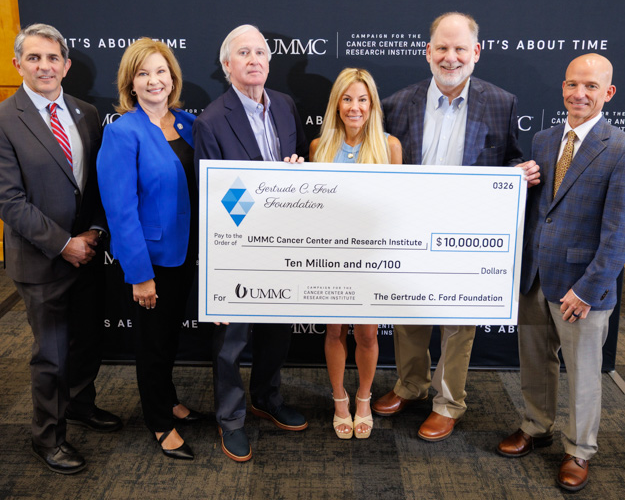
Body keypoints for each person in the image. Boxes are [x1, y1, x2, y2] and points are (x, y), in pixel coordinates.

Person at [373, 12, 540, 442]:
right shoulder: (395, 104)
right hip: (409, 231)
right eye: (442, 48)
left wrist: (515, 174)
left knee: (458, 322)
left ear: (476, 53)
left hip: (467, 234)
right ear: (428, 52)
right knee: (408, 314)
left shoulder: (502, 102)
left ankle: (448, 403)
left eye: (460, 48)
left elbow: (508, 160)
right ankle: (411, 385)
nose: (451, 58)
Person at [496, 54, 625, 492]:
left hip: (582, 288)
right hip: (535, 276)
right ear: (563, 87)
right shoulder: (544, 140)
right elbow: (539, 209)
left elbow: (623, 233)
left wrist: (588, 289)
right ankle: (535, 426)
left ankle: (580, 450)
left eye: (591, 87)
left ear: (608, 93)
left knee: (582, 372)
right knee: (535, 362)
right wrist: (514, 179)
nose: (579, 94)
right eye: (572, 85)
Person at [0, 23, 121, 475]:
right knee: (52, 354)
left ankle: (79, 405)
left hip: (89, 253)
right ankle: (49, 437)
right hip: (41, 260)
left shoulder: (86, 113)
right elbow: (6, 199)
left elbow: (97, 184)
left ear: (67, 65)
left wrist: (94, 232)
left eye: (53, 58)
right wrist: (63, 245)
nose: (44, 66)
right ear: (18, 63)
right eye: (34, 58)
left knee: (89, 344)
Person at [193, 24, 310, 462]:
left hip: (283, 246)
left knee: (277, 334)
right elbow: (213, 193)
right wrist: (265, 195)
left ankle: (266, 398)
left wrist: (294, 174)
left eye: (261, 52)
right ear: (227, 65)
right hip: (236, 249)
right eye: (244, 52)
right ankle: (231, 419)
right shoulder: (211, 120)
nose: (255, 59)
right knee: (231, 343)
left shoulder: (284, 104)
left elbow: (301, 162)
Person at [97, 39, 200, 461]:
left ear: (172, 78)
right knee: (153, 343)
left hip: (189, 252)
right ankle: (159, 420)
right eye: (143, 73)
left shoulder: (191, 123)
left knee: (170, 336)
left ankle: (169, 397)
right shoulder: (123, 131)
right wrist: (139, 274)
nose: (154, 80)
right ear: (130, 83)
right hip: (152, 260)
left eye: (161, 71)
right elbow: (120, 210)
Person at [309, 68, 402, 440]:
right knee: (335, 330)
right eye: (347, 99)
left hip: (372, 257)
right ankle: (339, 399)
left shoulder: (389, 147)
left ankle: (364, 398)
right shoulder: (319, 148)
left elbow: (397, 210)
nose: (355, 107)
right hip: (329, 257)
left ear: (372, 105)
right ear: (337, 104)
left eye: (362, 99)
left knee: (366, 334)